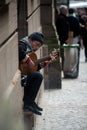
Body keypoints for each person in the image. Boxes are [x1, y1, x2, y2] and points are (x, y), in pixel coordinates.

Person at [18, 32, 56, 115]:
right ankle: (28, 104)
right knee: (37, 76)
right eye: (36, 44)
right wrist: (28, 61)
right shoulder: (23, 44)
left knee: (37, 75)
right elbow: (19, 51)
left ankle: (30, 102)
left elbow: (32, 68)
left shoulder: (30, 50)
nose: (37, 47)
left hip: (24, 73)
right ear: (30, 40)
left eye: (39, 46)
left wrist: (46, 62)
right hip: (20, 75)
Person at [55, 5, 70, 69]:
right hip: (62, 39)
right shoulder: (61, 18)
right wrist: (65, 39)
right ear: (62, 11)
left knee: (63, 54)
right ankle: (63, 68)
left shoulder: (62, 17)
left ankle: (63, 67)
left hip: (63, 39)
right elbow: (63, 30)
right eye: (66, 10)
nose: (67, 11)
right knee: (63, 54)